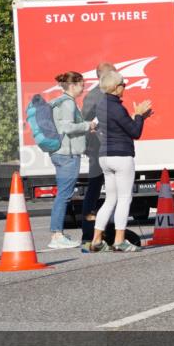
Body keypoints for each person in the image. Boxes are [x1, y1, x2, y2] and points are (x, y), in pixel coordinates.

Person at [89, 69, 152, 253]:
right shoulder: (117, 107)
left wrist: (139, 117)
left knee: (110, 200)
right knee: (124, 199)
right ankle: (119, 240)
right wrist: (139, 115)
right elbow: (135, 132)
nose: (125, 87)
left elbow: (120, 125)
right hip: (121, 156)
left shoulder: (102, 105)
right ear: (116, 88)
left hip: (105, 156)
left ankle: (96, 241)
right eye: (123, 84)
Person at [48, 71, 96, 249]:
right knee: (64, 195)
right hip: (67, 154)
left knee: (63, 194)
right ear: (73, 85)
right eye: (82, 85)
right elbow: (67, 127)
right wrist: (87, 125)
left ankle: (57, 233)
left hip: (59, 152)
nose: (83, 89)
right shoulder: (68, 103)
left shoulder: (59, 101)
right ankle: (57, 235)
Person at [81, 62, 115, 247]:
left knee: (110, 189)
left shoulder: (108, 94)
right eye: (113, 72)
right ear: (103, 75)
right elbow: (85, 121)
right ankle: (88, 229)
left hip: (110, 147)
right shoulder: (94, 95)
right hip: (98, 148)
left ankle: (107, 228)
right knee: (94, 189)